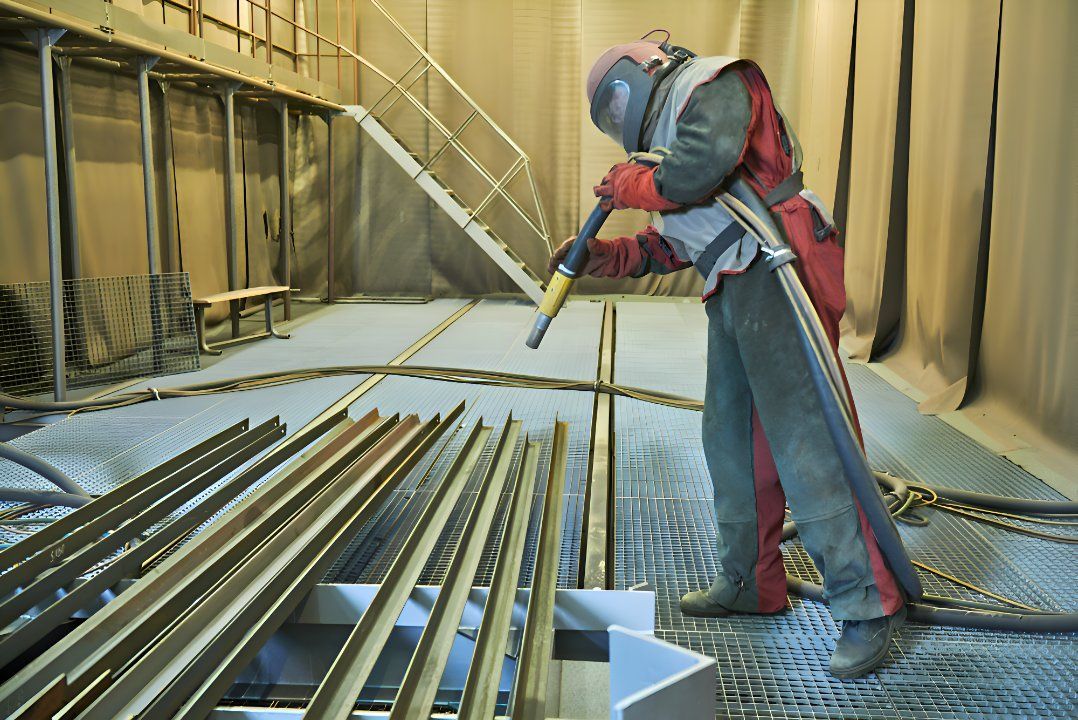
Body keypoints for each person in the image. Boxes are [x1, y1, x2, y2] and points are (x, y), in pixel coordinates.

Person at [551, 32, 906, 679]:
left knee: (806, 441)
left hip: (779, 265)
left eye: (616, 102)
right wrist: (610, 255)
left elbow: (695, 171)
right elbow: (680, 241)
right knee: (731, 441)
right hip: (735, 281)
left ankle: (865, 604)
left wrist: (631, 183)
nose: (618, 117)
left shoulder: (713, 84)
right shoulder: (663, 148)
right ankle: (749, 582)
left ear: (645, 69)